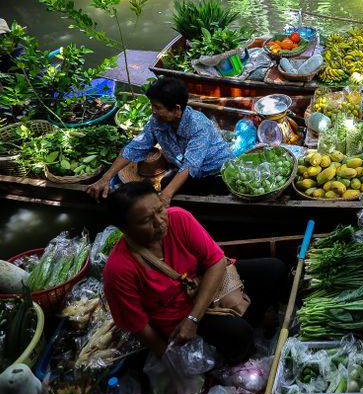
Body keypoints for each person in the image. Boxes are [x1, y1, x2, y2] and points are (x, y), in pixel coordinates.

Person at [102, 182, 288, 363]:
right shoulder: (119, 270)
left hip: (205, 287)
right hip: (178, 317)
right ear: (124, 228)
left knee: (274, 270)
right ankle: (238, 360)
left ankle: (251, 319)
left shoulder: (179, 218)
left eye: (159, 210)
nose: (160, 222)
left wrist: (194, 318)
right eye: (145, 220)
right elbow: (139, 326)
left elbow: (215, 262)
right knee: (238, 333)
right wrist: (171, 361)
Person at [87, 77, 233, 205]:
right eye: (152, 105)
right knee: (165, 184)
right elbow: (135, 147)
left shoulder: (198, 126)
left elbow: (191, 165)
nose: (153, 111)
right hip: (185, 168)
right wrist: (105, 178)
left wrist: (165, 196)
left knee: (182, 192)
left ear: (176, 109)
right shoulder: (156, 122)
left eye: (157, 107)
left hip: (215, 171)